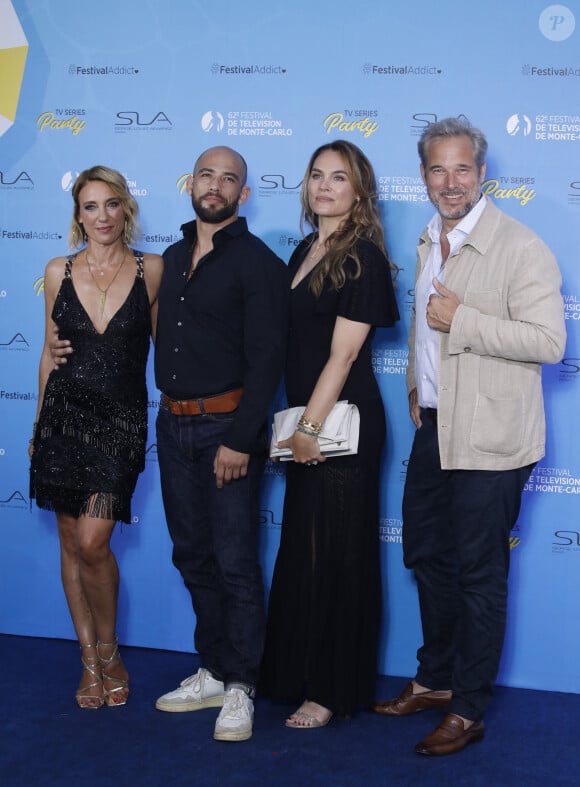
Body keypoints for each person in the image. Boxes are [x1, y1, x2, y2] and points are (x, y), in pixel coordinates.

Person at [372, 118, 566, 755]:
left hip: (493, 440)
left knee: (481, 574)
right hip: (437, 430)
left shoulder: (519, 246)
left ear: (482, 174)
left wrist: (467, 320)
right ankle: (435, 680)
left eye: (462, 170)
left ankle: (471, 708)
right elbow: (425, 334)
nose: (450, 182)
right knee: (427, 556)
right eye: (437, 169)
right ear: (424, 175)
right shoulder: (430, 239)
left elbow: (550, 344)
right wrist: (415, 394)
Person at [151, 146, 289, 742]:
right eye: (207, 175)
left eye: (229, 179)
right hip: (171, 425)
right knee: (193, 555)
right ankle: (212, 669)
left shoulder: (259, 263)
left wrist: (240, 440)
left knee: (235, 564)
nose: (216, 186)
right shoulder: (173, 255)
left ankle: (242, 685)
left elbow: (267, 362)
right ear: (192, 183)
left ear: (244, 194)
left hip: (225, 432)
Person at [260, 140, 399, 728]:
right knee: (305, 552)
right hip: (307, 423)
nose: (323, 186)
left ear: (359, 191)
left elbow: (342, 357)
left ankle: (332, 689)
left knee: (338, 556)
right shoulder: (304, 250)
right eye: (316, 175)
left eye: (338, 178)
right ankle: (298, 673)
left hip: (343, 424)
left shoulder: (360, 256)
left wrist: (310, 429)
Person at [30, 165, 163, 709]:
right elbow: (48, 351)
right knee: (68, 540)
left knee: (93, 542)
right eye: (90, 206)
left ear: (125, 209)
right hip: (63, 417)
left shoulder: (151, 269)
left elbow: (170, 345)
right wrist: (39, 426)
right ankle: (88, 659)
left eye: (111, 204)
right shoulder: (58, 270)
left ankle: (111, 651)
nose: (101, 216)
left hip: (120, 422)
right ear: (77, 214)